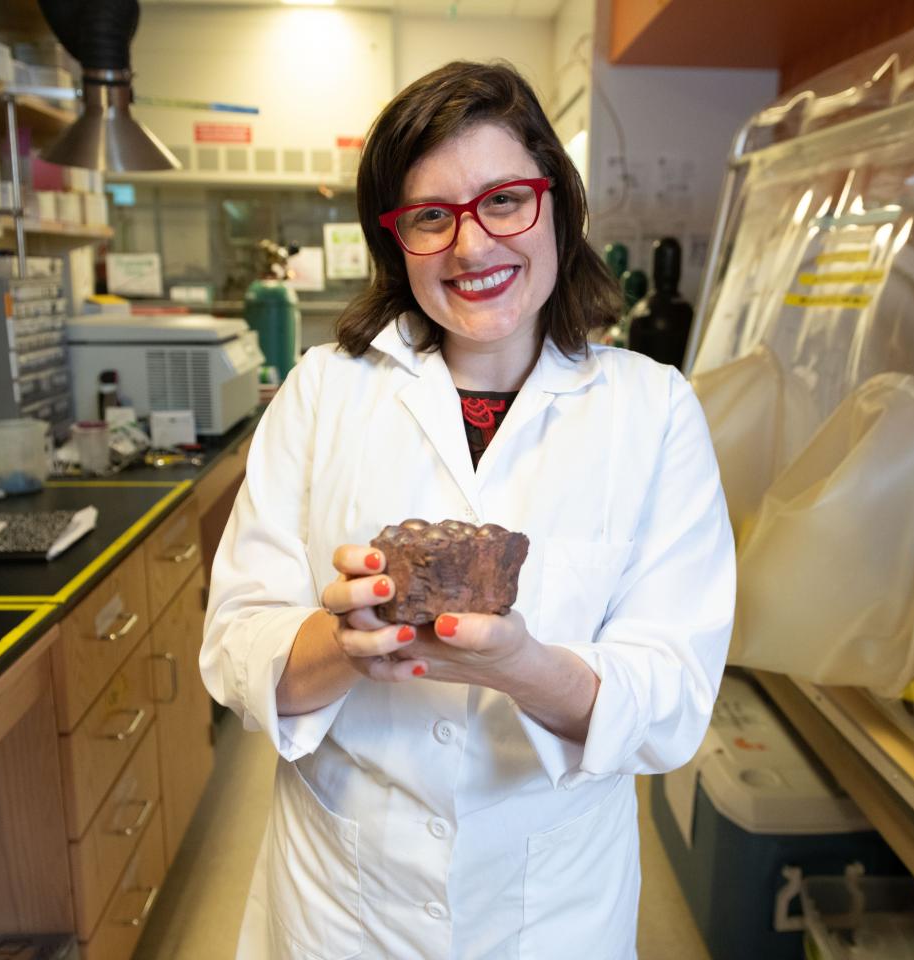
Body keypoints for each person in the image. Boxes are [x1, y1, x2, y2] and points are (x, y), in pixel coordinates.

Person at [202, 60, 736, 960]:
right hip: (344, 907)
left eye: (503, 201)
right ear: (396, 240)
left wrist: (524, 666)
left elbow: (673, 702)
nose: (471, 246)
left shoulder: (654, 413)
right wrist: (344, 646)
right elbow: (233, 648)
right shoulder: (322, 393)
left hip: (550, 909)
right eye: (430, 217)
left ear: (557, 207)